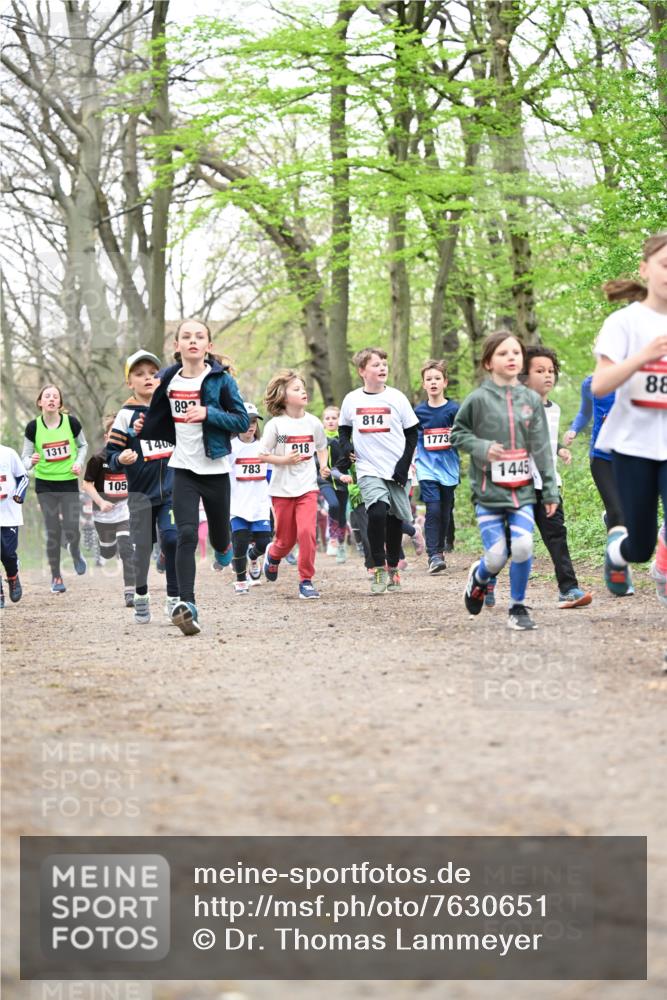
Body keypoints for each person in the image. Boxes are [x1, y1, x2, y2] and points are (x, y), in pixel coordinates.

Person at [139, 320, 249, 634]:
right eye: (186, 336)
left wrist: (207, 413)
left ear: (208, 346)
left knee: (219, 538)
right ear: (177, 345)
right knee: (185, 534)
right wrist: (142, 429)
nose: (192, 341)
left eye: (199, 336)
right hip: (182, 468)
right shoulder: (167, 380)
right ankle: (187, 605)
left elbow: (241, 421)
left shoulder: (221, 381)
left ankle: (224, 546)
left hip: (215, 469)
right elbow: (158, 417)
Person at [450, 330, 559, 631]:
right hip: (489, 493)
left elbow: (541, 449)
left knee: (523, 546)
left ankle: (518, 607)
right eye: (502, 353)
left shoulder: (530, 400)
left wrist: (549, 490)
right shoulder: (478, 400)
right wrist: (482, 448)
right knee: (497, 556)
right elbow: (457, 434)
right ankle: (479, 578)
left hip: (522, 491)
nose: (511, 357)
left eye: (516, 353)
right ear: (488, 362)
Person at [591, 231, 667, 607]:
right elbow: (600, 386)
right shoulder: (625, 323)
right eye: (665, 265)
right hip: (632, 445)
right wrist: (644, 356)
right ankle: (619, 554)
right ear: (645, 269)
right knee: (639, 545)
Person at [338, 347, 419, 595]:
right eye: (375, 364)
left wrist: (404, 466)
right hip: (367, 467)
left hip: (396, 468)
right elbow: (343, 429)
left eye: (384, 363)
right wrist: (347, 447)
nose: (382, 367)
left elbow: (412, 433)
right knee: (377, 512)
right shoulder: (352, 399)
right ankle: (377, 567)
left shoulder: (397, 398)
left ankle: (393, 567)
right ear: (362, 371)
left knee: (395, 520)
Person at [107, 350, 179, 625]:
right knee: (142, 549)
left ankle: (174, 598)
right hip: (141, 496)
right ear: (129, 383)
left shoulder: (170, 408)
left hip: (171, 491)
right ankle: (141, 594)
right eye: (139, 374)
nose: (148, 378)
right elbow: (110, 454)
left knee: (172, 540)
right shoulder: (125, 416)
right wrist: (120, 458)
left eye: (152, 373)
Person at [521, 346, 592, 608]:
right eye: (540, 371)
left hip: (549, 485)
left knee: (557, 535)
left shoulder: (555, 409)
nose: (547, 376)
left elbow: (546, 442)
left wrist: (560, 450)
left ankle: (569, 588)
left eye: (551, 371)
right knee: (516, 541)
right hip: (518, 484)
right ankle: (485, 581)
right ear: (525, 376)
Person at [257, 369, 328, 600]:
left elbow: (321, 445)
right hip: (281, 490)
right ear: (283, 396)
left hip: (307, 488)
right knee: (285, 541)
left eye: (303, 388)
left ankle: (306, 580)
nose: (303, 392)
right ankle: (273, 555)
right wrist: (284, 460)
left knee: (307, 533)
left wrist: (324, 465)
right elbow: (263, 454)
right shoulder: (276, 427)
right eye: (296, 389)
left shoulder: (313, 423)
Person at [22, 384, 88, 593]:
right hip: (45, 484)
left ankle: (75, 551)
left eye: (55, 397)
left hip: (68, 481)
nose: (51, 399)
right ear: (40, 402)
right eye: (47, 396)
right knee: (52, 530)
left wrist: (78, 462)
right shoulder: (33, 427)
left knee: (71, 527)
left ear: (60, 403)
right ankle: (56, 577)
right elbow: (24, 458)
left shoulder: (71, 423)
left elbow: (83, 446)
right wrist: (30, 462)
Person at [82, 414, 135, 608]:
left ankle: (130, 591)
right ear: (106, 438)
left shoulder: (132, 458)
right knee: (108, 551)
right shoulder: (98, 459)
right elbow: (86, 485)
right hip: (102, 513)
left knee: (127, 549)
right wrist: (100, 502)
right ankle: (104, 544)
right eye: (113, 434)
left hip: (124, 511)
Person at [414, 359, 460, 574]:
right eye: (428, 379)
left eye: (437, 379)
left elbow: (466, 436)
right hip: (426, 468)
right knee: (433, 509)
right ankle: (434, 555)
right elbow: (411, 439)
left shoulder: (454, 409)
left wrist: (456, 435)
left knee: (445, 510)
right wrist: (410, 463)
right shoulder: (418, 412)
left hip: (449, 469)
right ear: (424, 385)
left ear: (445, 383)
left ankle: (444, 543)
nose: (433, 382)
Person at [563, 376, 625, 536]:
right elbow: (585, 412)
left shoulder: (636, 379)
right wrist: (574, 429)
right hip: (601, 456)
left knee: (630, 509)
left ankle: (611, 519)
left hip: (630, 454)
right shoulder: (591, 383)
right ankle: (616, 557)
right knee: (616, 511)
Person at [229, 402, 272, 595]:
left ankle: (253, 558)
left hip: (260, 504)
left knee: (263, 543)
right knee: (239, 543)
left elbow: (271, 472)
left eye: (254, 421)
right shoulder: (230, 447)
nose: (251, 425)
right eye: (247, 420)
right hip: (237, 505)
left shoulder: (263, 447)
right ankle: (240, 581)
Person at [0, 443, 29, 607]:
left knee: (7, 553)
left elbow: (23, 477)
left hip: (9, 512)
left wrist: (19, 494)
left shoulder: (8, 453)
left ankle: (13, 576)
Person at [320, 405, 350, 563]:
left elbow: (348, 459)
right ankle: (332, 537)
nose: (331, 421)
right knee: (333, 505)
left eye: (334, 418)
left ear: (339, 420)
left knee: (342, 515)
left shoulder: (344, 438)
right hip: (324, 481)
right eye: (327, 418)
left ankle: (341, 546)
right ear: (323, 421)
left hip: (342, 480)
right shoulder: (319, 438)